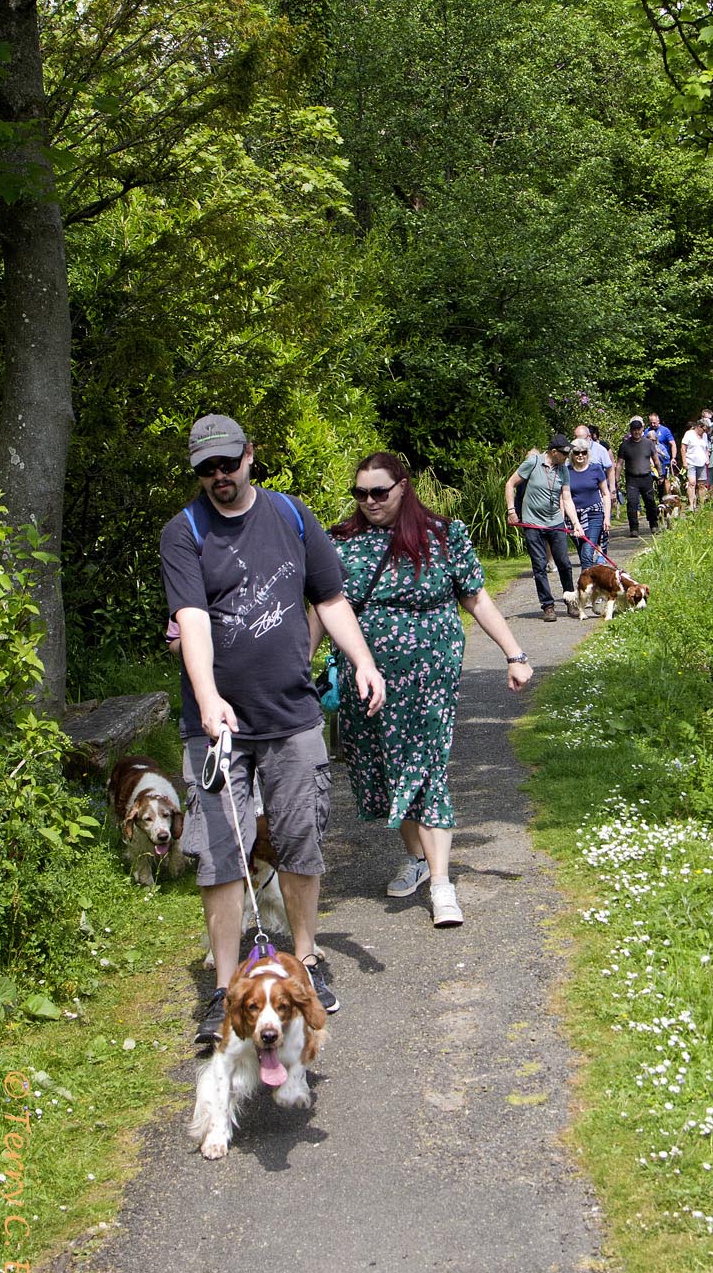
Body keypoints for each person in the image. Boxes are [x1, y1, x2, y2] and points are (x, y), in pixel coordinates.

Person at [160, 414, 386, 1044]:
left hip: (291, 715)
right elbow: (191, 619)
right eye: (207, 469)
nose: (219, 476)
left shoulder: (291, 515)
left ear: (250, 456)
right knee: (221, 855)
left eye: (228, 463)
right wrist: (208, 698)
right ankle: (226, 988)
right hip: (216, 727)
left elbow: (330, 599)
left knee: (299, 840)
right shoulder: (184, 532)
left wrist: (363, 661)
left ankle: (305, 963)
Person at [319, 453, 533, 928]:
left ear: (403, 486)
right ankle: (416, 859)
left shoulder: (444, 535)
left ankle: (441, 885)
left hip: (428, 677)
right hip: (364, 679)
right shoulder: (340, 541)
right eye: (360, 493)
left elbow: (475, 597)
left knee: (426, 767)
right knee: (387, 767)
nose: (370, 501)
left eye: (379, 492)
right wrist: (296, 671)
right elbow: (323, 608)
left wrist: (514, 654)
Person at [505, 434, 580, 621]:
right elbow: (510, 483)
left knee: (564, 563)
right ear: (554, 452)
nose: (567, 456)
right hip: (532, 522)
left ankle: (570, 600)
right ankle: (548, 606)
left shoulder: (563, 470)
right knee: (539, 565)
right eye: (564, 453)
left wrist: (576, 524)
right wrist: (511, 510)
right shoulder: (533, 463)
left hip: (555, 522)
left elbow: (567, 499)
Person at [566, 437, 611, 566]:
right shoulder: (566, 471)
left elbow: (605, 494)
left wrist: (607, 517)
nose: (580, 455)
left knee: (587, 551)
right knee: (582, 551)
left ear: (588, 453)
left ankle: (585, 578)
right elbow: (564, 498)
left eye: (584, 452)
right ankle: (589, 576)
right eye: (577, 452)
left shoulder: (596, 469)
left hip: (594, 514)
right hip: (574, 516)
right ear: (572, 454)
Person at [616, 417, 660, 536]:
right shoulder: (624, 445)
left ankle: (654, 524)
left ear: (642, 430)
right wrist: (617, 479)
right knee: (632, 503)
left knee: (650, 502)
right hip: (632, 479)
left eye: (638, 429)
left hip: (646, 477)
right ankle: (634, 528)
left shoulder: (648, 443)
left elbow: (656, 460)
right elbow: (619, 464)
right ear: (630, 430)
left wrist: (660, 474)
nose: (636, 432)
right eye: (634, 429)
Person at [573, 423, 617, 502]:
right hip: (578, 494)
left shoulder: (600, 450)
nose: (579, 443)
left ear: (589, 436)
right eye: (577, 439)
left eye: (582, 439)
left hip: (598, 493)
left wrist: (612, 490)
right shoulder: (572, 451)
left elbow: (610, 470)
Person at [645, 412, 677, 496]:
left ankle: (667, 498)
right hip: (651, 462)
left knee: (665, 481)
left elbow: (673, 444)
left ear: (658, 421)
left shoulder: (665, 430)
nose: (653, 424)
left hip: (663, 461)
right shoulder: (647, 431)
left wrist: (673, 458)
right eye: (651, 423)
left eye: (654, 423)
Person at [680, 417, 710, 509]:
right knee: (692, 483)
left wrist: (707, 458)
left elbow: (706, 448)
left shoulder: (704, 436)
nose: (704, 432)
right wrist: (684, 462)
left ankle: (701, 505)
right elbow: (683, 448)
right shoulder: (689, 434)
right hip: (690, 461)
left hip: (702, 462)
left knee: (701, 484)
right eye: (704, 429)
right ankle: (691, 504)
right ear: (699, 426)